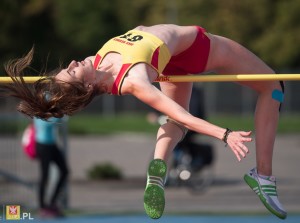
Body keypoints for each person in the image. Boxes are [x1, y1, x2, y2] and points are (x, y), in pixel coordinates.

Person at [2, 24, 286, 219]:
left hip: (170, 61)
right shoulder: (134, 79)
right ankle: (263, 175)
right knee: (273, 86)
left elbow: (177, 115)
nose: (74, 64)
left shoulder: (96, 61)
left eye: (68, 68)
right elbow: (181, 113)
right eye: (73, 72)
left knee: (177, 127)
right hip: (198, 49)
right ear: (87, 88)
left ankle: (157, 173)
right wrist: (224, 134)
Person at [34, 117, 69, 218]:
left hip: (51, 144)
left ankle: (52, 202)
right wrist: (58, 117)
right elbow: (45, 123)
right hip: (43, 144)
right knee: (45, 176)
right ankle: (42, 207)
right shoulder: (40, 105)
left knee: (64, 171)